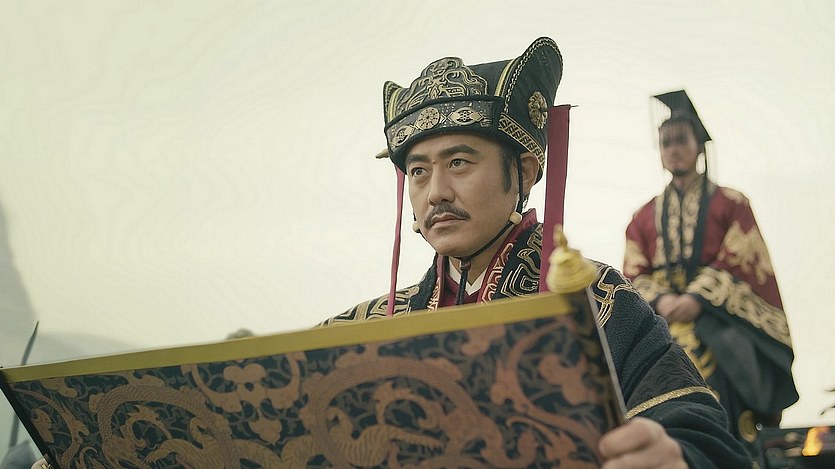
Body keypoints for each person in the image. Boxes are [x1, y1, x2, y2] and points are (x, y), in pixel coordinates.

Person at [322, 38, 750, 467]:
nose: (435, 193)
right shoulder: (365, 329)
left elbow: (698, 431)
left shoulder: (598, 302)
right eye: (418, 171)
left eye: (458, 163)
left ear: (524, 171)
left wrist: (675, 456)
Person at [623, 90, 799, 460]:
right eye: (666, 142)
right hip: (661, 321)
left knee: (735, 396)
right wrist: (663, 301)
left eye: (681, 140)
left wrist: (697, 298)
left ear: (699, 146)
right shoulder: (642, 216)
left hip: (718, 319)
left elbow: (741, 256)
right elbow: (634, 271)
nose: (673, 149)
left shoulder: (731, 203)